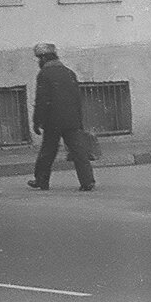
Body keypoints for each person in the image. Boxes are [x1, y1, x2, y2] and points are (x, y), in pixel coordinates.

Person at [28, 42, 96, 193]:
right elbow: (77, 99)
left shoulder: (44, 74)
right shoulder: (69, 72)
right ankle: (87, 181)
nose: (39, 62)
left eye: (39, 58)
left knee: (48, 151)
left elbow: (42, 100)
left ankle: (41, 180)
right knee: (79, 152)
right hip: (71, 120)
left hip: (53, 121)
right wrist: (79, 121)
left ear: (44, 58)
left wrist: (36, 121)